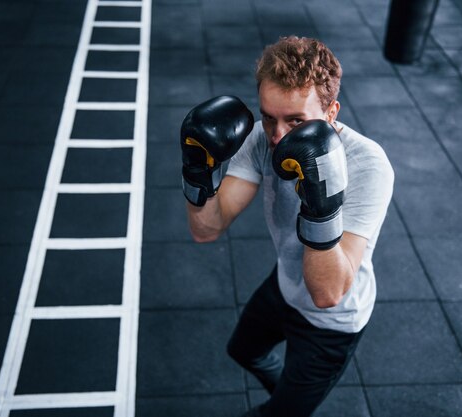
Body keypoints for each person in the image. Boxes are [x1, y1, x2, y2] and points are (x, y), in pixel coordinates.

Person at [180, 36, 394, 417]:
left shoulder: (368, 165)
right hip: (286, 285)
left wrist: (321, 206)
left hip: (333, 321)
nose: (278, 136)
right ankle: (287, 398)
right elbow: (207, 229)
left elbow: (328, 293)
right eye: (268, 117)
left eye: (296, 121)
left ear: (331, 113)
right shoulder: (264, 137)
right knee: (242, 351)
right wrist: (199, 171)